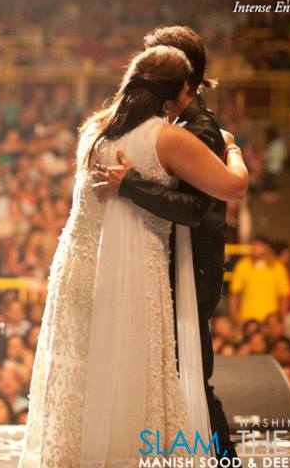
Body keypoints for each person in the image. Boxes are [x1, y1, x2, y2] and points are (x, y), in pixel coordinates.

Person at [19, 45, 247, 466]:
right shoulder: (168, 138)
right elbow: (234, 187)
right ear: (178, 91)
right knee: (128, 374)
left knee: (84, 373)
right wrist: (231, 148)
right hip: (130, 269)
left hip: (78, 266)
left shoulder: (95, 129)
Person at [90, 26, 239, 460]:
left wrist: (131, 186)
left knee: (192, 376)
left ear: (184, 78)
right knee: (170, 375)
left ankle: (223, 460)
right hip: (170, 266)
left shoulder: (201, 129)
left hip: (193, 271)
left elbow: (197, 208)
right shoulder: (174, 123)